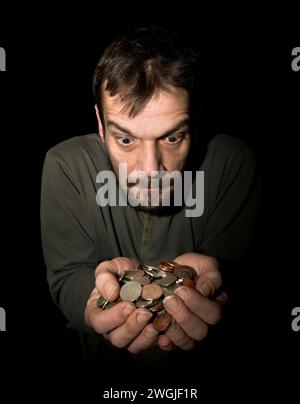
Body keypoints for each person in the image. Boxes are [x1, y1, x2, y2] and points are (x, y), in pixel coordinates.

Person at [40, 26, 261, 380]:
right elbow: (65, 276)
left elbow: (248, 278)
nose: (149, 170)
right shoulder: (65, 165)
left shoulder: (234, 162)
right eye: (125, 139)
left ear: (196, 123)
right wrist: (93, 296)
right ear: (100, 123)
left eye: (173, 137)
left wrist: (226, 285)